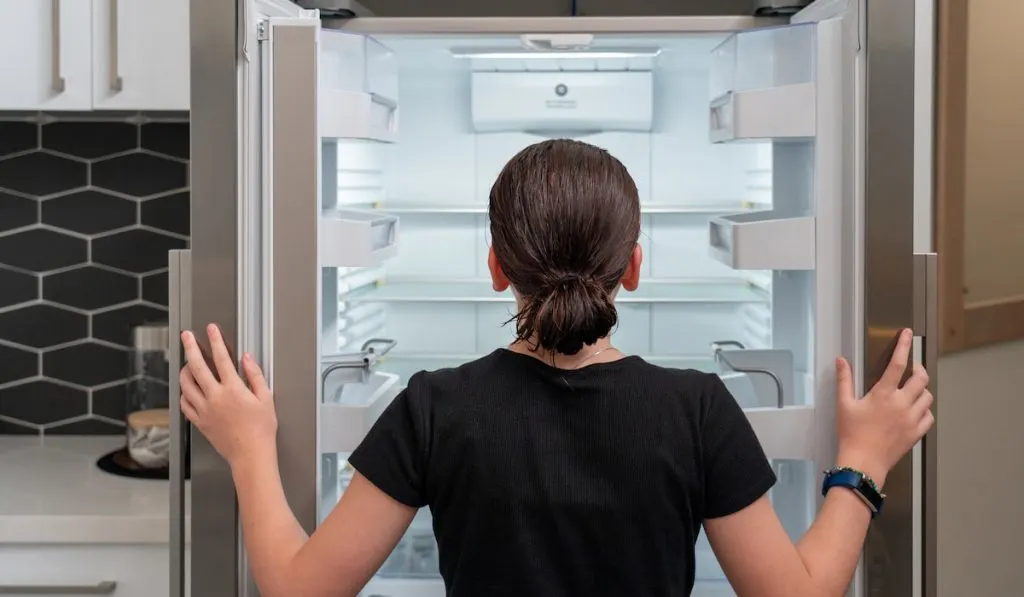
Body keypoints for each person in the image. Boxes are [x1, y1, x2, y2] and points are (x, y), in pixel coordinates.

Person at [178, 139, 934, 597]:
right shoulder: (696, 409)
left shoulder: (436, 407)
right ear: (633, 266)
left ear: (496, 265)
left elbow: (299, 588)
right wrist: (863, 459)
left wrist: (248, 447)